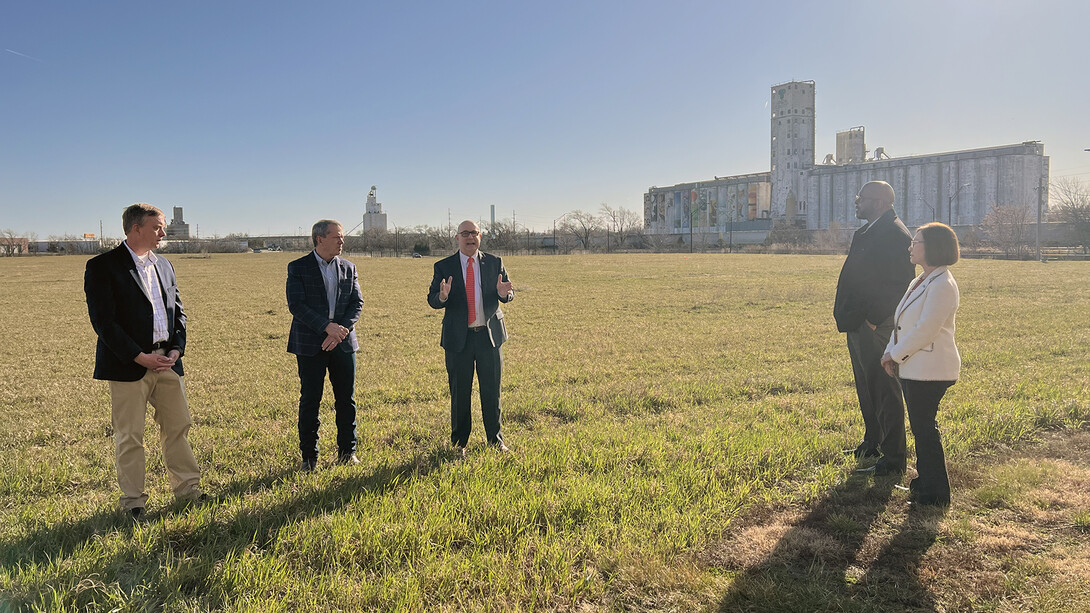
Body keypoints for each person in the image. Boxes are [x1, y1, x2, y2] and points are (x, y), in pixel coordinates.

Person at [84, 203, 206, 521]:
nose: (162, 233)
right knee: (130, 435)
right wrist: (139, 356)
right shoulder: (103, 266)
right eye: (157, 227)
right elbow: (104, 322)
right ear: (135, 228)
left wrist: (176, 350)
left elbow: (178, 312)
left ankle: (188, 491)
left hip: (167, 362)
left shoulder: (164, 265)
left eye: (163, 227)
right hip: (129, 365)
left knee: (178, 427)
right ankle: (133, 502)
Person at [833, 180, 915, 476]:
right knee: (867, 386)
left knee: (884, 389)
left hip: (874, 324)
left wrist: (873, 319)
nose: (856, 201)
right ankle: (873, 441)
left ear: (879, 202)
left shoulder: (893, 233)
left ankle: (893, 460)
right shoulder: (868, 231)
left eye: (861, 197)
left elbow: (898, 284)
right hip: (857, 321)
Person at [881, 222, 961, 506]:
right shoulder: (921, 280)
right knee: (922, 427)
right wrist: (890, 351)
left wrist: (895, 355)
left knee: (924, 429)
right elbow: (902, 324)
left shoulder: (942, 284)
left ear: (933, 248)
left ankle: (935, 493)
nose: (910, 247)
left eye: (916, 242)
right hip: (916, 367)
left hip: (931, 370)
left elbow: (926, 329)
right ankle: (926, 484)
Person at [427, 220, 514, 456]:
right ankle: (459, 444)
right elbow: (433, 299)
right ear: (457, 238)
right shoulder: (443, 266)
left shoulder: (494, 262)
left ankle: (495, 442)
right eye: (465, 233)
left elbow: (506, 291)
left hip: (489, 337)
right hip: (458, 339)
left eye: (474, 233)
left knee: (491, 392)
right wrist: (442, 297)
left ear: (480, 237)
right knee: (460, 393)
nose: (470, 237)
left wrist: (505, 295)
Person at [286, 219, 364, 471]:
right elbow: (296, 305)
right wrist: (326, 327)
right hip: (311, 344)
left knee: (346, 400)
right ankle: (309, 458)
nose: (342, 241)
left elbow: (356, 304)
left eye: (341, 237)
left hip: (342, 343)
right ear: (320, 239)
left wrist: (340, 330)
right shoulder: (298, 267)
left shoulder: (349, 267)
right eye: (337, 237)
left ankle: (347, 452)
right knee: (310, 400)